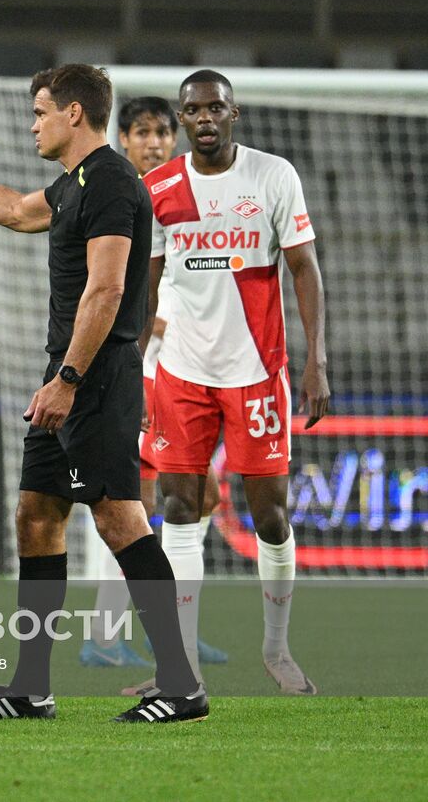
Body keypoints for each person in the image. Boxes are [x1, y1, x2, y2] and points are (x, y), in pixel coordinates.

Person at [0, 64, 207, 723]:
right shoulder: (75, 185)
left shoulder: (114, 184)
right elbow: (12, 208)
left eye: (40, 112)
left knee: (120, 517)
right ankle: (30, 687)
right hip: (64, 378)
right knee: (36, 517)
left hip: (93, 378)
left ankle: (181, 684)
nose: (33, 124)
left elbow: (108, 288)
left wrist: (67, 379)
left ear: (73, 113)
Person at [141, 70, 328, 696]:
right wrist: (131, 363)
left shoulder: (273, 176)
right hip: (182, 372)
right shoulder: (159, 188)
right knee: (177, 509)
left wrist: (315, 361)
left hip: (256, 372)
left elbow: (303, 267)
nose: (205, 119)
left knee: (270, 516)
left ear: (234, 113)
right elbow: (145, 285)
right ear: (182, 117)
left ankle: (277, 650)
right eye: (193, 110)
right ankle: (183, 662)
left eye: (215, 107)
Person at [82, 97, 228, 671]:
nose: (154, 142)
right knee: (136, 503)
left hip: (179, 370)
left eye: (164, 132)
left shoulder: (178, 196)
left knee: (193, 497)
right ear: (122, 138)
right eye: (141, 132)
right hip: (136, 372)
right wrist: (155, 320)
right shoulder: (120, 195)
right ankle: (119, 632)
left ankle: (151, 628)